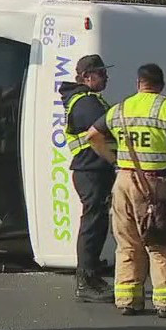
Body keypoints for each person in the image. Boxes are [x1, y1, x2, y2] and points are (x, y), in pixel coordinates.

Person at [83, 63, 166, 318]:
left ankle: (128, 300)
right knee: (161, 242)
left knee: (127, 243)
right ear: (161, 85)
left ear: (138, 84)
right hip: (154, 183)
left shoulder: (120, 109)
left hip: (123, 180)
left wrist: (113, 160)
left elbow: (92, 136)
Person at [59, 54, 115, 304]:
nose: (106, 77)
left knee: (96, 222)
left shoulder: (85, 100)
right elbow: (101, 134)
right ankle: (86, 279)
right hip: (91, 171)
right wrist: (115, 160)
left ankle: (91, 270)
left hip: (91, 170)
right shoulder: (86, 103)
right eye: (102, 73)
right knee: (92, 224)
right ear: (87, 76)